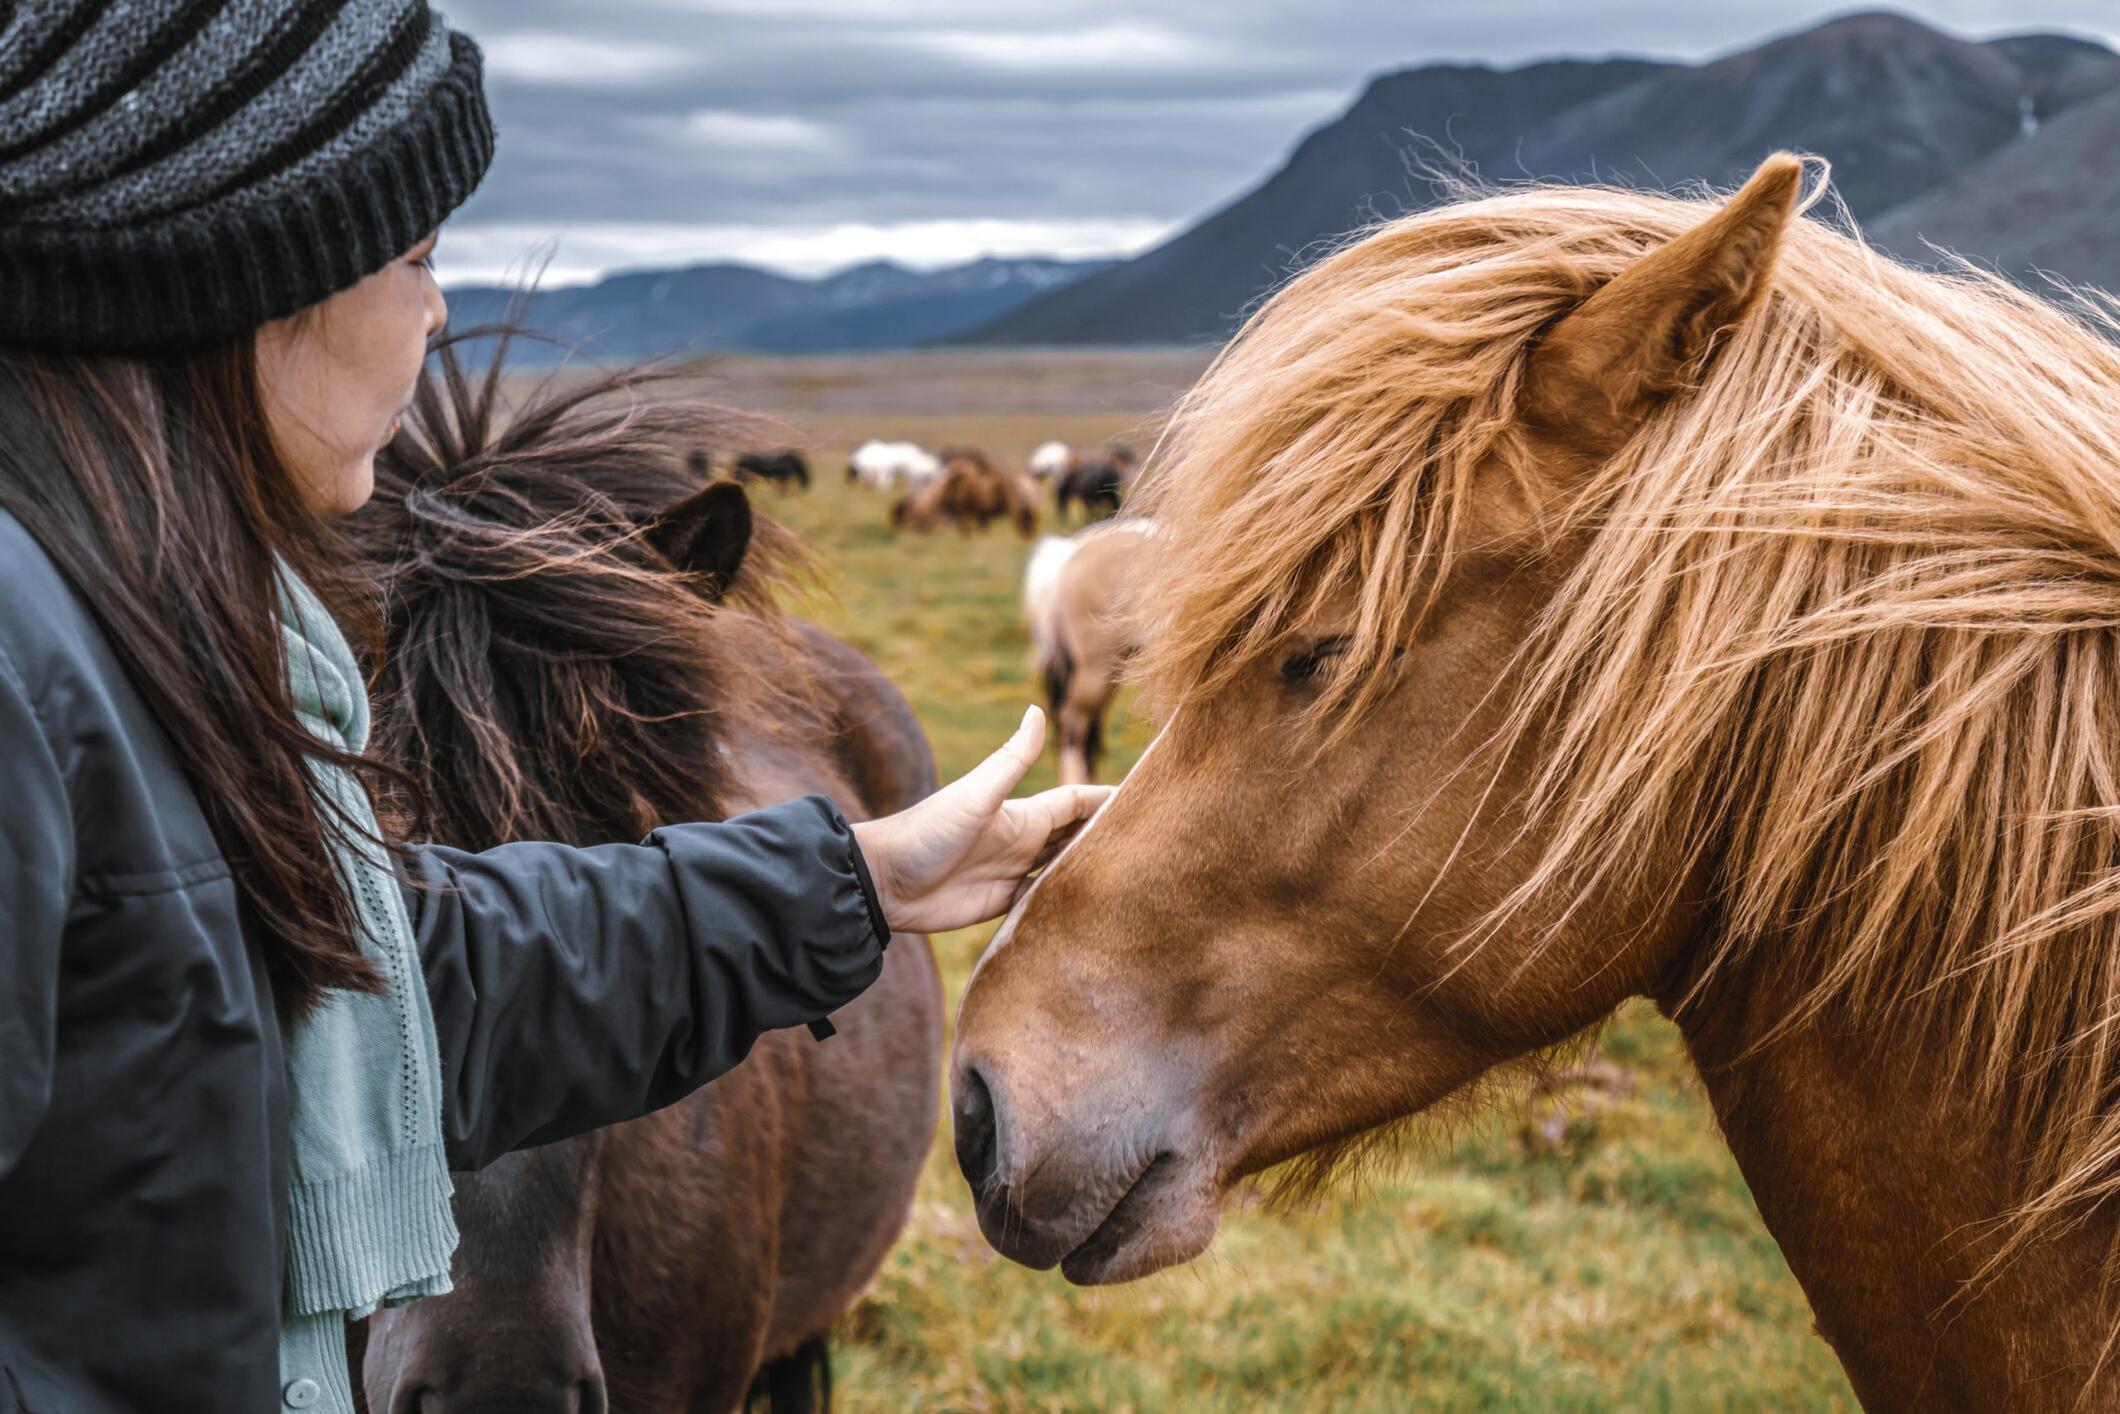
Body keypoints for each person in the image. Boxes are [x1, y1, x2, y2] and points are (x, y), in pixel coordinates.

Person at [0, 6, 1110, 1411]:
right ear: (259, 275)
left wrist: (855, 872)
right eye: (417, 258)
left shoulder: (151, 636)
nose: (441, 311)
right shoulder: (31, 664)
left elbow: (383, 980)